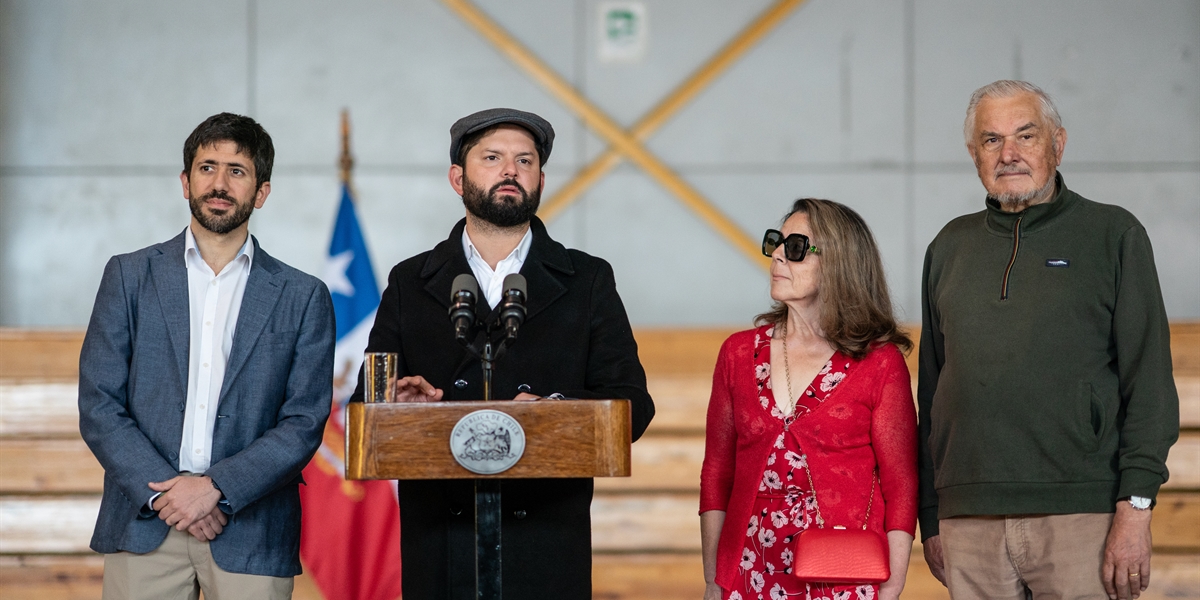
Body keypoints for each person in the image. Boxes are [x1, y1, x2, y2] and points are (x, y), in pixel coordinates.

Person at [351, 107, 654, 599]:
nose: (510, 171)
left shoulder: (588, 280)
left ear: (539, 179)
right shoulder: (410, 281)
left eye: (525, 161)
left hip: (547, 546)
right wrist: (399, 407)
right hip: (441, 548)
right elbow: (364, 412)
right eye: (492, 157)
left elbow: (632, 406)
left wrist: (553, 412)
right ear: (457, 177)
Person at [918, 80, 1180, 600]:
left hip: (1082, 512)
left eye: (1025, 136)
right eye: (991, 141)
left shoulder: (1113, 234)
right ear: (974, 155)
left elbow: (1148, 384)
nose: (1008, 154)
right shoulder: (949, 246)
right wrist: (931, 515)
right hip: (968, 516)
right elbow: (931, 391)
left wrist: (1136, 509)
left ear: (1058, 144)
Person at [78, 113, 336, 599]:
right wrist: (166, 495)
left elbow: (304, 420)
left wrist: (215, 488)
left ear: (261, 192)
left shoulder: (303, 295)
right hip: (144, 520)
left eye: (237, 171)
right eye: (207, 167)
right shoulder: (129, 277)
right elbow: (99, 404)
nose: (219, 183)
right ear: (185, 181)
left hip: (251, 527)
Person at [700, 198, 918, 600]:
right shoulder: (737, 353)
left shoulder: (880, 363)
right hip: (748, 571)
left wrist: (891, 587)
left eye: (797, 247)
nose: (779, 256)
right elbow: (717, 473)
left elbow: (901, 483)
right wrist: (715, 580)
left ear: (839, 263)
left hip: (844, 576)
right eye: (776, 243)